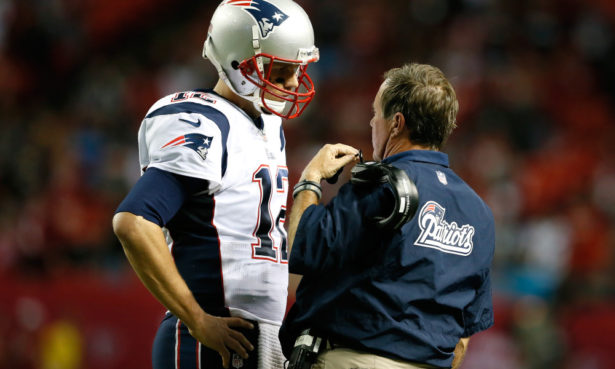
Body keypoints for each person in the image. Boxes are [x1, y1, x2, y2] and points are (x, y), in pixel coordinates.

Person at [112, 1, 319, 368]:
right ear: (240, 64)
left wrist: (311, 181)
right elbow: (133, 221)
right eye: (282, 70)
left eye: (297, 70)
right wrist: (197, 319)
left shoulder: (269, 126)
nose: (291, 82)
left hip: (258, 337)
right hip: (208, 339)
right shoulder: (205, 123)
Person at [279, 63, 495, 369]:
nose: (371, 122)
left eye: (375, 112)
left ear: (396, 123)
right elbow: (463, 332)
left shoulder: (385, 185)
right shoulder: (479, 213)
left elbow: (301, 246)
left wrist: (310, 178)